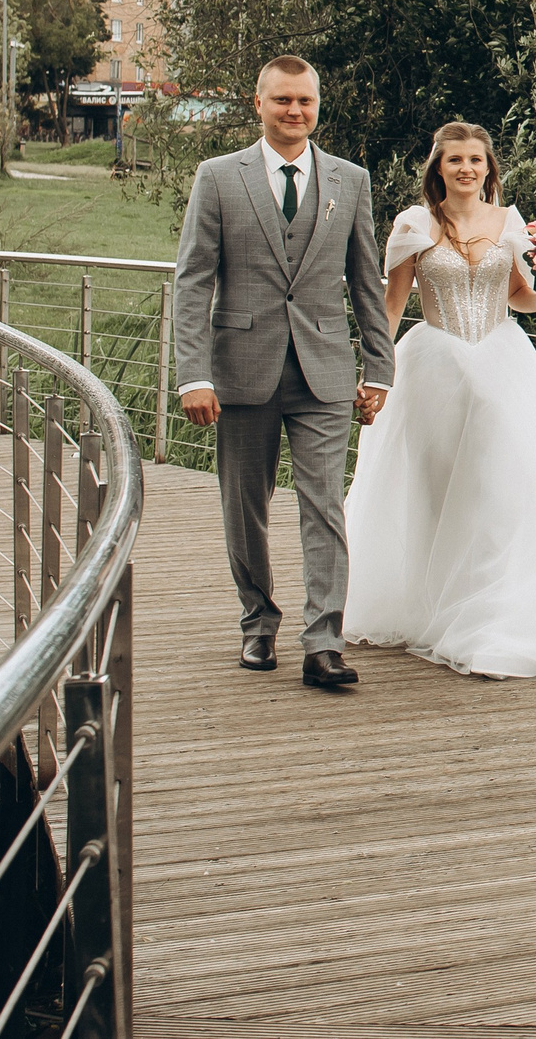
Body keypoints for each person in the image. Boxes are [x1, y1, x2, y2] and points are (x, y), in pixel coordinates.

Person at [342, 121, 536, 677]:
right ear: (438, 167)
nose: (466, 168)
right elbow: (390, 306)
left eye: (476, 160)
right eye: (455, 159)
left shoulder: (509, 223)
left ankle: (493, 617)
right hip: (434, 365)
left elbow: (517, 295)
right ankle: (437, 604)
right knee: (440, 488)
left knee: (500, 483)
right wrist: (375, 373)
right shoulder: (413, 225)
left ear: (489, 169)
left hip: (501, 363)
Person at [173, 56, 395, 690]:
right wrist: (193, 374)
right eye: (282, 101)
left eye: (305, 101)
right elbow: (192, 283)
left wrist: (380, 365)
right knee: (245, 506)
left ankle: (323, 641)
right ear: (258, 102)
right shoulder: (218, 178)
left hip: (324, 370)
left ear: (317, 106)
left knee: (324, 506)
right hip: (241, 370)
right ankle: (257, 622)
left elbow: (365, 281)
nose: (294, 112)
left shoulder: (350, 181)